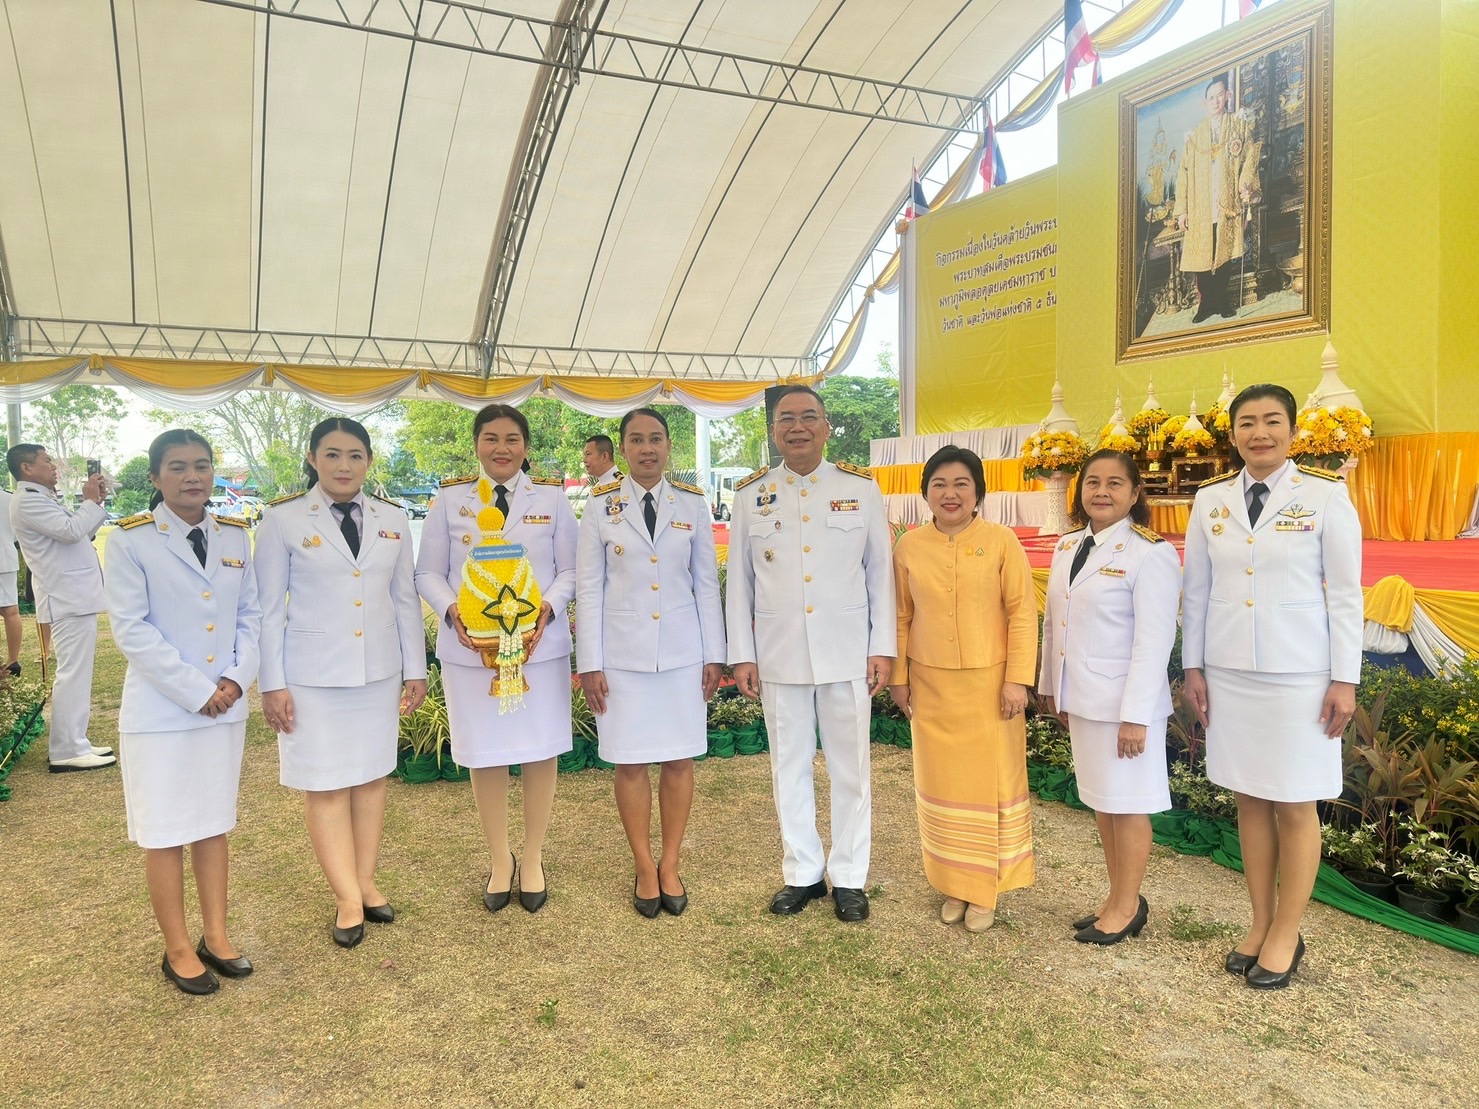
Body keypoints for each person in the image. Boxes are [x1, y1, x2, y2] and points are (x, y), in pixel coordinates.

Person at [1182, 383, 1362, 990]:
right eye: (1248, 423)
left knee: (1294, 801)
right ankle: (1259, 923)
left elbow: (1344, 593)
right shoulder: (1209, 500)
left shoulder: (1325, 495)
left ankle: (1288, 930)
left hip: (1299, 675)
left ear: (1291, 429)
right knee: (1250, 799)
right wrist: (1194, 666)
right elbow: (1198, 592)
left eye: (1272, 421)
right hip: (1230, 671)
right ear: (1232, 434)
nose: (1260, 432)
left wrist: (1345, 678)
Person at [255, 418, 428, 949]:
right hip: (312, 677)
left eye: (355, 455)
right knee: (327, 786)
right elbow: (267, 611)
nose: (344, 466)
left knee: (372, 781)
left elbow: (404, 599)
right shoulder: (283, 520)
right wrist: (272, 682)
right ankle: (346, 897)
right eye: (332, 455)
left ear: (369, 461)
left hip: (377, 672)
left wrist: (416, 667)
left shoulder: (393, 518)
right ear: (312, 458)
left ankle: (367, 880)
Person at [726, 385, 894, 923]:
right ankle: (801, 871)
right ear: (773, 431)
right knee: (788, 767)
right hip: (779, 655)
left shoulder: (861, 490)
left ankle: (849, 877)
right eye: (785, 420)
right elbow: (739, 584)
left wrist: (882, 648)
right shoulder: (751, 495)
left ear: (826, 427)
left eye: (807, 417)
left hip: (846, 653)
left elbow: (880, 575)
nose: (796, 427)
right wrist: (742, 654)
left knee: (851, 770)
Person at [103, 429, 261, 995]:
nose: (192, 476)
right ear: (154, 477)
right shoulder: (129, 541)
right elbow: (131, 630)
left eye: (201, 465)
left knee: (214, 825)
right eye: (177, 467)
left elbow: (250, 616)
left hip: (225, 707)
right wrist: (198, 690)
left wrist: (237, 679)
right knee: (166, 833)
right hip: (165, 713)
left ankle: (216, 936)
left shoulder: (237, 537)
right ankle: (176, 947)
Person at [416, 404, 576, 915]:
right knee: (484, 752)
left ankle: (532, 856)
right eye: (490, 438)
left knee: (538, 749)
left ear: (526, 446)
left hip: (537, 648)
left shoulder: (551, 498)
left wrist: (547, 608)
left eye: (511, 438)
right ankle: (499, 859)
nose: (501, 448)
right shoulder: (448, 499)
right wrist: (452, 613)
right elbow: (428, 573)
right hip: (473, 652)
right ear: (477, 444)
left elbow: (572, 570)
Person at [576, 408, 725, 918]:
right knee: (631, 762)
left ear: (668, 447)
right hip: (622, 658)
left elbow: (706, 583)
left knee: (681, 760)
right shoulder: (600, 506)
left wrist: (715, 655)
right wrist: (589, 662)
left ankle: (670, 862)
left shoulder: (692, 505)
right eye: (636, 440)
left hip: (684, 655)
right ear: (622, 449)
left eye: (655, 439)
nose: (647, 448)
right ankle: (642, 864)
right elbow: (589, 587)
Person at [887, 446, 1036, 933]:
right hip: (930, 685)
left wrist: (1018, 679)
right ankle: (954, 883)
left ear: (978, 492)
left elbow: (1021, 612)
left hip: (990, 684)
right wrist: (899, 679)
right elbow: (902, 615)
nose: (950, 494)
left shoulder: (1000, 540)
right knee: (941, 783)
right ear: (925, 493)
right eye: (939, 485)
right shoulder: (909, 546)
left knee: (990, 783)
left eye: (961, 484)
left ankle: (985, 890)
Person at [1038, 450, 1181, 945]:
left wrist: (1136, 717)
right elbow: (1054, 623)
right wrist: (1051, 688)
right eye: (1093, 481)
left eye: (1115, 483)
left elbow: (1154, 641)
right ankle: (1116, 894)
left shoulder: (1151, 553)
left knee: (1129, 805)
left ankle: (1127, 905)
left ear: (1135, 493)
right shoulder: (1067, 546)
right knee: (1103, 802)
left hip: (1124, 707)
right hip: (1083, 699)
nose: (1102, 491)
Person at [7, 444, 116, 771]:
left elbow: (83, 534)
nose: (54, 466)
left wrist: (95, 503)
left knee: (78, 673)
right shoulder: (28, 501)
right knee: (72, 673)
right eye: (47, 461)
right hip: (66, 596)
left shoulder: (41, 499)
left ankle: (75, 741)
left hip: (73, 594)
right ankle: (66, 748)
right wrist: (86, 501)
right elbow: (71, 532)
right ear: (27, 468)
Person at [1174, 74, 1261, 323]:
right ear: (1205, 103)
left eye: (1220, 95)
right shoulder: (1194, 137)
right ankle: (1205, 305)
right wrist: (1182, 211)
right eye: (1210, 97)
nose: (1215, 101)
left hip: (1226, 204)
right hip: (1201, 206)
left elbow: (1249, 159)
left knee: (1223, 253)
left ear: (1228, 96)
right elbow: (1183, 175)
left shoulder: (1238, 128)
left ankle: (1222, 301)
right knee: (1202, 255)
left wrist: (1246, 187)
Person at [0, 483, 22, 675]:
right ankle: (13, 660)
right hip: (5, 559)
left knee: (11, 611)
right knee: (11, 611)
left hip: (5, 559)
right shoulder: (11, 499)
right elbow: (17, 534)